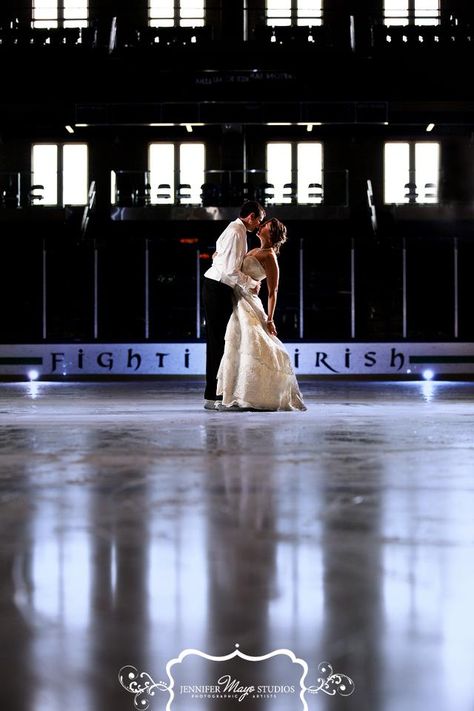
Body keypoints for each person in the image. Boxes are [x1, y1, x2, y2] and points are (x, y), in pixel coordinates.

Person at [216, 217, 306, 411]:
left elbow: (273, 291)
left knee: (251, 341)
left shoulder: (269, 256)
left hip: (248, 301)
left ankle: (252, 393)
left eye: (265, 225)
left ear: (271, 233)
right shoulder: (253, 249)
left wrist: (270, 318)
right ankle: (234, 392)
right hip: (237, 297)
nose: (260, 225)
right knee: (236, 343)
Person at [202, 200, 266, 410]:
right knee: (219, 341)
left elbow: (217, 257)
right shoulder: (237, 231)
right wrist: (252, 283)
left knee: (220, 341)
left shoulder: (234, 228)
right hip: (217, 288)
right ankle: (215, 396)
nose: (259, 225)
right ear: (251, 217)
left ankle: (216, 395)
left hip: (218, 287)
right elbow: (230, 270)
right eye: (259, 221)